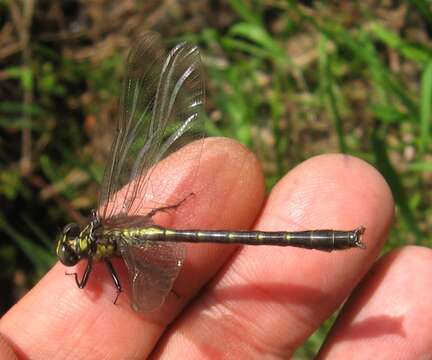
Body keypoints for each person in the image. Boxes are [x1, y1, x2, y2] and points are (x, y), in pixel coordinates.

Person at [0, 139, 430, 359]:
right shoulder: (104, 229)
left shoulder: (102, 260)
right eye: (74, 252)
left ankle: (345, 236)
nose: (77, 253)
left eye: (74, 250)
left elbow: (116, 285)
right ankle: (348, 238)